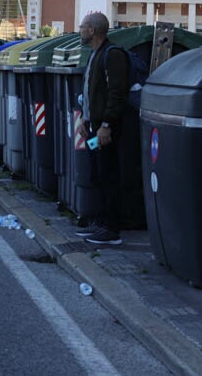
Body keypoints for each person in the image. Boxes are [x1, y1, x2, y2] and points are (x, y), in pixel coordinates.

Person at [75, 12, 130, 245]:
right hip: (94, 128)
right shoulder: (94, 55)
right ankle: (100, 222)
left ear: (93, 30)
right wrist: (85, 121)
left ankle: (111, 229)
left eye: (83, 26)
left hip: (106, 130)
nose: (80, 30)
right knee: (97, 173)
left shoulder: (112, 55)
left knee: (108, 175)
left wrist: (106, 125)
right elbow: (91, 93)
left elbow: (117, 94)